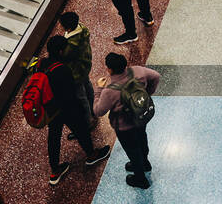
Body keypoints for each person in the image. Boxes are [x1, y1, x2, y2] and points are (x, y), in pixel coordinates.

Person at [43, 35, 110, 186]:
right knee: (81, 130)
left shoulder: (42, 64)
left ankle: (55, 170)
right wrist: (80, 109)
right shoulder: (63, 69)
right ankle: (92, 155)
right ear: (61, 51)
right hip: (66, 108)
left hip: (51, 109)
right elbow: (70, 93)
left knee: (53, 137)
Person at [93, 52, 159, 190]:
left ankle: (140, 179)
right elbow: (156, 76)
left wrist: (99, 89)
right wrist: (148, 93)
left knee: (132, 150)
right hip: (141, 118)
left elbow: (98, 111)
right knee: (142, 139)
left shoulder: (109, 91)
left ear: (109, 69)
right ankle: (145, 163)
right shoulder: (138, 71)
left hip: (124, 127)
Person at [58, 12, 94, 124]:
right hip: (85, 65)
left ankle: (88, 121)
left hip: (76, 72)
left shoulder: (71, 43)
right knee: (88, 86)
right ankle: (93, 109)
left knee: (81, 96)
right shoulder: (82, 28)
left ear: (68, 28)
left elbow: (64, 56)